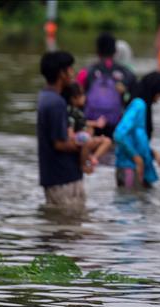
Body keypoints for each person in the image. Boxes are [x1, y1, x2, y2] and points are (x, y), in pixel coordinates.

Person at [37, 51, 97, 207]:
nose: (73, 73)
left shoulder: (46, 97)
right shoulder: (56, 103)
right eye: (70, 69)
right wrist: (86, 144)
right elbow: (59, 143)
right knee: (71, 224)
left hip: (56, 176)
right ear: (61, 73)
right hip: (63, 178)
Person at [113, 71, 160, 189]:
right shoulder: (139, 105)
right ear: (153, 90)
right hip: (129, 168)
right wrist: (136, 157)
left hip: (136, 168)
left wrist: (153, 153)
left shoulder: (142, 106)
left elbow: (136, 138)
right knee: (129, 203)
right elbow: (119, 134)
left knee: (141, 204)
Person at [82, 32, 137, 138]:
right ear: (115, 51)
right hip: (117, 125)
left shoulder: (86, 72)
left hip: (91, 125)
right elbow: (134, 101)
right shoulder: (127, 73)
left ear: (97, 51)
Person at [61, 82, 113, 172]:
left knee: (107, 141)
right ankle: (84, 164)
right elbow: (70, 126)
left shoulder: (78, 111)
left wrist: (96, 123)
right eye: (82, 95)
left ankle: (93, 158)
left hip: (83, 137)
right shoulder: (70, 111)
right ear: (74, 98)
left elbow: (83, 122)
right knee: (87, 137)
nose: (85, 97)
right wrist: (73, 135)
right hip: (77, 139)